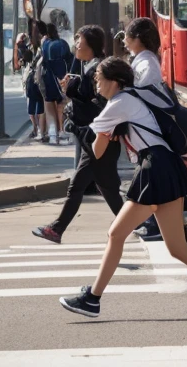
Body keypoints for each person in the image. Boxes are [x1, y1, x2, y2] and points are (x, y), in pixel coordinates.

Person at [59, 57, 187, 325]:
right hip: (166, 164)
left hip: (155, 167)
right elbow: (103, 146)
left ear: (114, 81)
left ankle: (92, 298)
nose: (96, 84)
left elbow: (97, 152)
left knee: (116, 233)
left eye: (99, 79)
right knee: (177, 247)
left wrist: (84, 127)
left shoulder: (119, 102)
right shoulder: (131, 98)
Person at [32, 26, 123, 244]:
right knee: (106, 189)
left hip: (98, 140)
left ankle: (57, 229)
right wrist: (71, 91)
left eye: (79, 41)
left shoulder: (98, 70)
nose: (76, 45)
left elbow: (100, 105)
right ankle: (141, 224)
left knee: (83, 187)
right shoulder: (89, 67)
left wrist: (72, 93)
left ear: (90, 45)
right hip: (93, 140)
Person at [123, 18, 187, 245]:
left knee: (153, 180)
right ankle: (164, 226)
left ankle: (157, 225)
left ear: (137, 39)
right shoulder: (143, 60)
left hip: (151, 130)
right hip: (147, 130)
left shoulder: (147, 63)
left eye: (126, 36)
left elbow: (146, 95)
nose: (124, 40)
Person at [38, 19, 71, 143]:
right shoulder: (62, 43)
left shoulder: (45, 43)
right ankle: (63, 131)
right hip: (61, 76)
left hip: (47, 77)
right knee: (62, 105)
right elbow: (69, 58)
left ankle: (53, 134)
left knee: (49, 105)